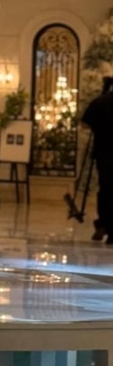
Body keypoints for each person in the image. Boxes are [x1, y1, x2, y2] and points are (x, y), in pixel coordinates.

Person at [81, 77, 113, 244]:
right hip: (106, 152)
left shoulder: (100, 102)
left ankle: (103, 223)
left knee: (105, 189)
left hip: (104, 152)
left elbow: (85, 124)